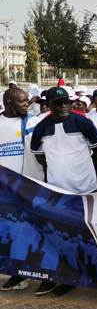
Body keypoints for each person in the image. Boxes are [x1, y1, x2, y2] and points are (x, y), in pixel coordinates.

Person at [30, 86, 97, 296]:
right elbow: (39, 155)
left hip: (86, 189)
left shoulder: (82, 121)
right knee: (63, 236)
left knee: (88, 235)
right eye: (58, 103)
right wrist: (58, 170)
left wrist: (81, 170)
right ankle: (69, 277)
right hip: (58, 192)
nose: (64, 106)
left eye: (66, 102)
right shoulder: (41, 127)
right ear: (48, 105)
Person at [0, 87, 45, 293]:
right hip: (6, 190)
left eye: (27, 100)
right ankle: (19, 274)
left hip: (31, 187)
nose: (27, 104)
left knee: (37, 231)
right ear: (9, 102)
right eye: (22, 102)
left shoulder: (34, 122)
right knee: (13, 231)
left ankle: (46, 273)